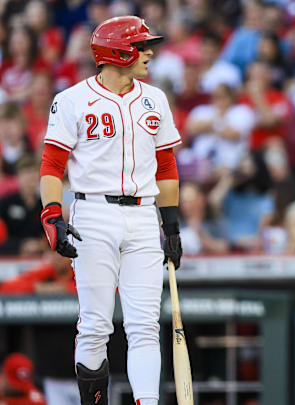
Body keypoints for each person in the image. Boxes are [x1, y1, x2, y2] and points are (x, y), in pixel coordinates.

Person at [38, 16, 182, 405]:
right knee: (95, 326)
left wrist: (171, 225)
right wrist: (53, 214)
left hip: (142, 215)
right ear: (117, 52)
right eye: (141, 45)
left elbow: (166, 166)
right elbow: (52, 166)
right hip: (93, 215)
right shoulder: (71, 100)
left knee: (144, 327)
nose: (149, 52)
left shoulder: (156, 98)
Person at [0, 155, 44, 256]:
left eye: (34, 173)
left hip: (39, 258)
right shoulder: (6, 203)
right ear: (17, 177)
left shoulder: (44, 205)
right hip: (9, 257)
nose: (30, 178)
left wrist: (41, 245)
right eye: (26, 173)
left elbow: (49, 235)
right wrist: (21, 245)